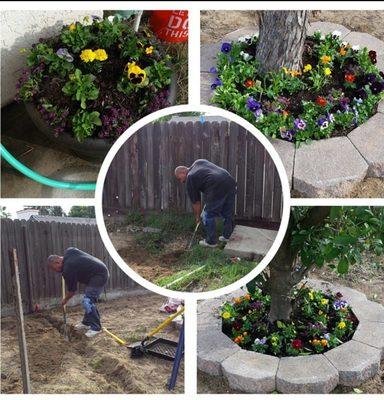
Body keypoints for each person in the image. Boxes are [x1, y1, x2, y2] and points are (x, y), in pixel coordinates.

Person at [47, 247, 109, 338]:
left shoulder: (68, 269)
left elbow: (72, 291)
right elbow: (74, 250)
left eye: (54, 268)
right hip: (98, 272)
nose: (55, 271)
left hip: (99, 275)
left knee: (87, 301)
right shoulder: (69, 252)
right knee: (87, 299)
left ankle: (96, 328)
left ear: (57, 262)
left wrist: (65, 300)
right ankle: (86, 322)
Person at [175, 159, 236, 247]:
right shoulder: (198, 162)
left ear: (182, 172)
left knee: (207, 215)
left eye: (179, 178)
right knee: (226, 212)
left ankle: (211, 242)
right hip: (229, 180)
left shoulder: (190, 177)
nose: (181, 181)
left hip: (216, 185)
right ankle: (227, 236)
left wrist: (198, 217)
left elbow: (196, 202)